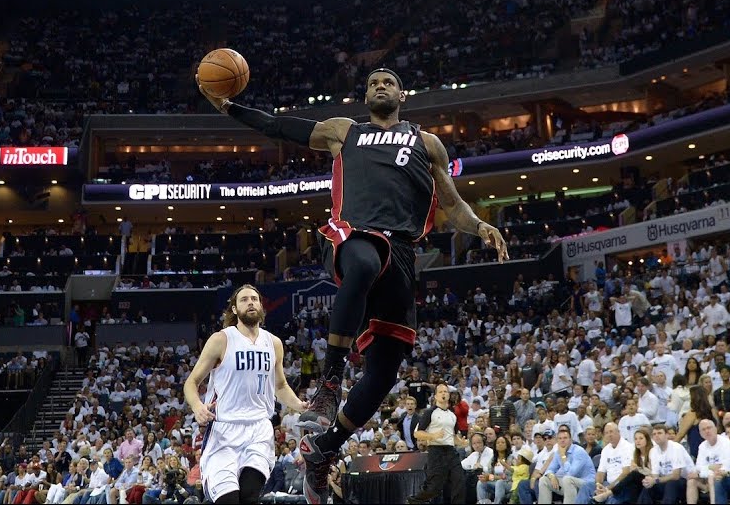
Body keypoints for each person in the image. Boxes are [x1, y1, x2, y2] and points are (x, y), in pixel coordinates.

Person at [203, 67, 508, 505]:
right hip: (354, 235)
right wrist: (230, 107)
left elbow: (453, 204)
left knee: (383, 373)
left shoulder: (427, 143)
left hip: (402, 254)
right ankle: (329, 382)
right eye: (372, 83)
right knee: (364, 260)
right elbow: (278, 125)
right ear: (365, 97)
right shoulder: (344, 132)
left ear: (403, 94)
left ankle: (324, 450)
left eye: (388, 82)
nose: (380, 86)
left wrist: (480, 227)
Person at [184, 284, 307, 504]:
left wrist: (300, 405)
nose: (250, 302)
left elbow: (279, 386)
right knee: (229, 500)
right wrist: (197, 407)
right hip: (224, 432)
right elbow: (191, 382)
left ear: (261, 306)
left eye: (254, 299)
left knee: (249, 496)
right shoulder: (221, 340)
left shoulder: (274, 343)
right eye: (243, 300)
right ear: (234, 309)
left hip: (258, 430)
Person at [409, 383, 467, 504]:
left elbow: (454, 435)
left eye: (445, 391)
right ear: (435, 396)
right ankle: (414, 501)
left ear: (449, 395)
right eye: (440, 392)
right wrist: (432, 435)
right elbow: (417, 433)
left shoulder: (452, 414)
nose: (443, 394)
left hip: (451, 451)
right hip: (436, 451)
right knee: (434, 486)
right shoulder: (430, 412)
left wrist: (461, 442)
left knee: (459, 480)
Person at [538, 426, 596, 504]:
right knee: (544, 480)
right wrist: (551, 476)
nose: (562, 441)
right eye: (560, 438)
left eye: (565, 438)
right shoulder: (558, 452)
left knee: (567, 479)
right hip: (569, 484)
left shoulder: (579, 451)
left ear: (570, 440)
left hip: (586, 484)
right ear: (557, 440)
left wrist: (563, 456)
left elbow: (571, 473)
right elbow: (550, 469)